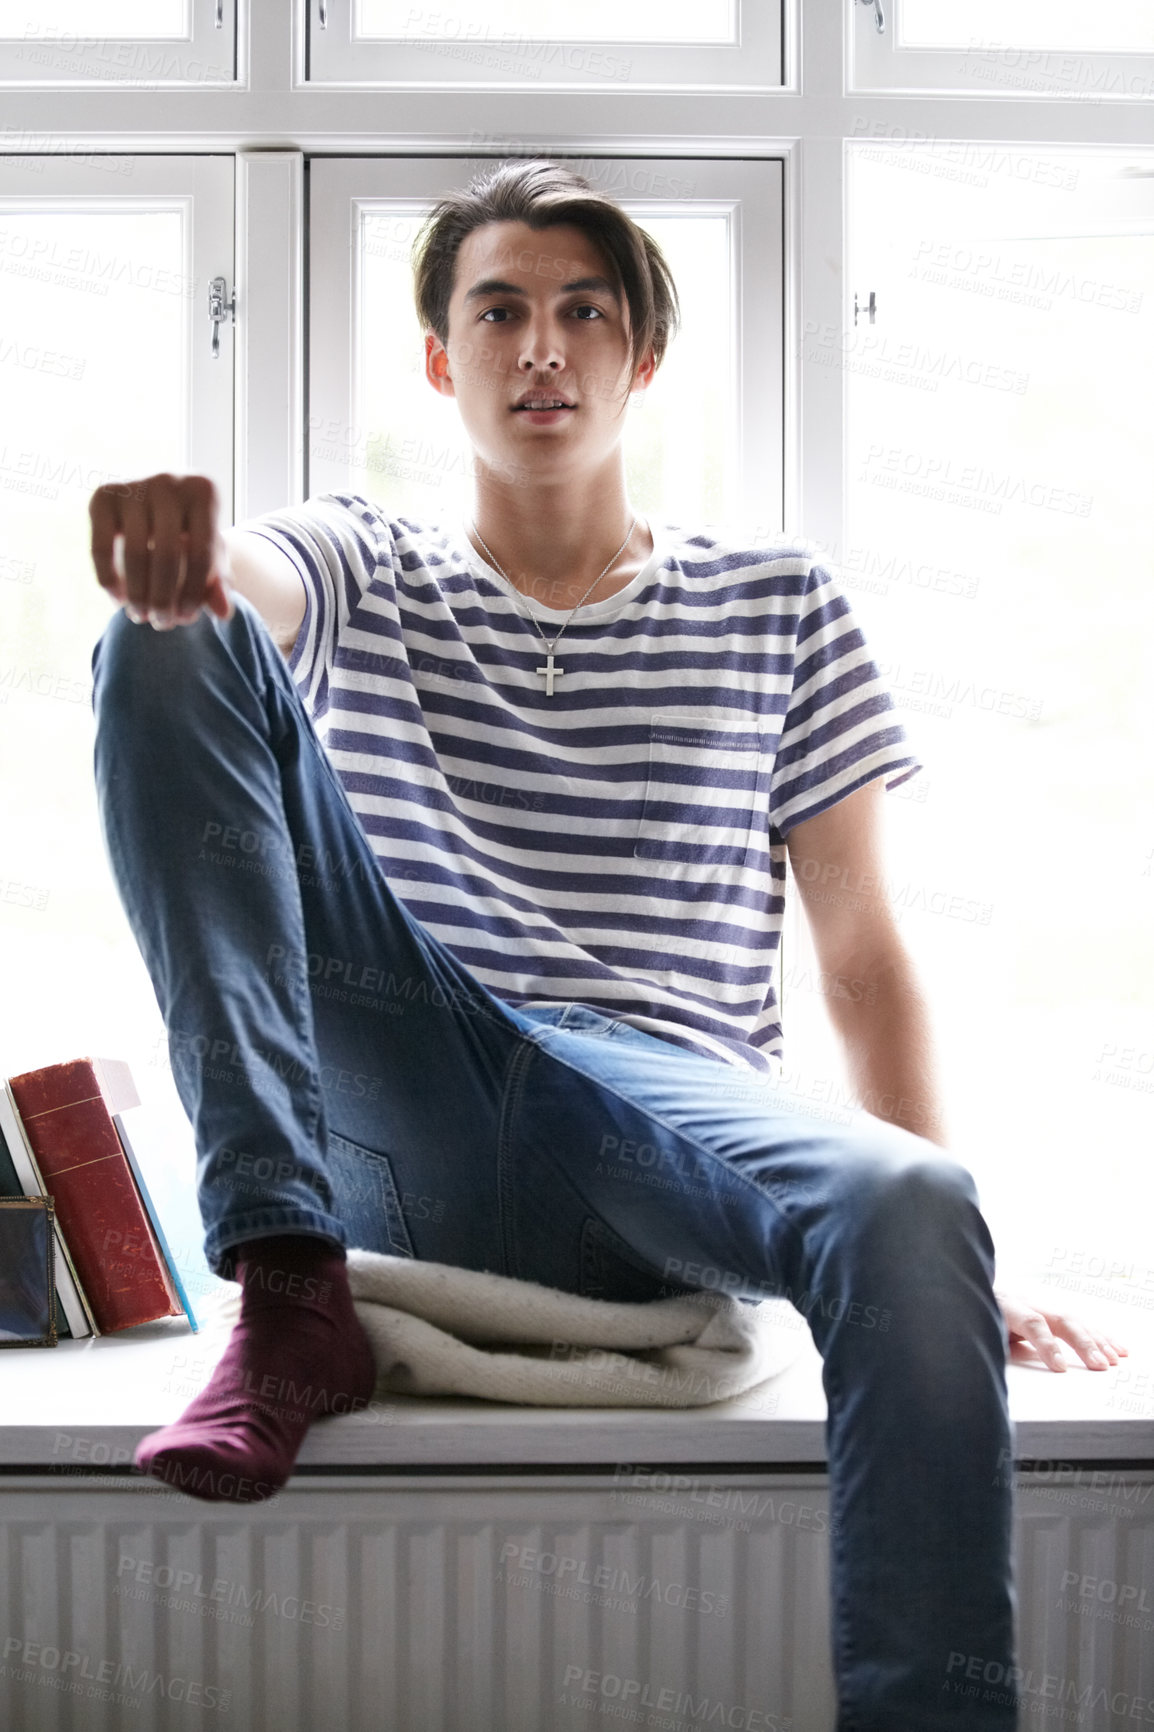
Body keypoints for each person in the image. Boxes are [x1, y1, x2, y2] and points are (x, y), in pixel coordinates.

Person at [87, 158, 1123, 1730]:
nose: (542, 348)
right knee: (157, 634)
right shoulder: (369, 555)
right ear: (442, 360)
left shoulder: (778, 599)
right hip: (407, 1075)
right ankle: (282, 1281)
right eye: (497, 311)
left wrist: (959, 1270)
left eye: (585, 313)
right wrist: (182, 555)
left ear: (643, 356)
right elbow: (250, 578)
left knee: (916, 1199)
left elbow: (858, 952)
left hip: (655, 1125)